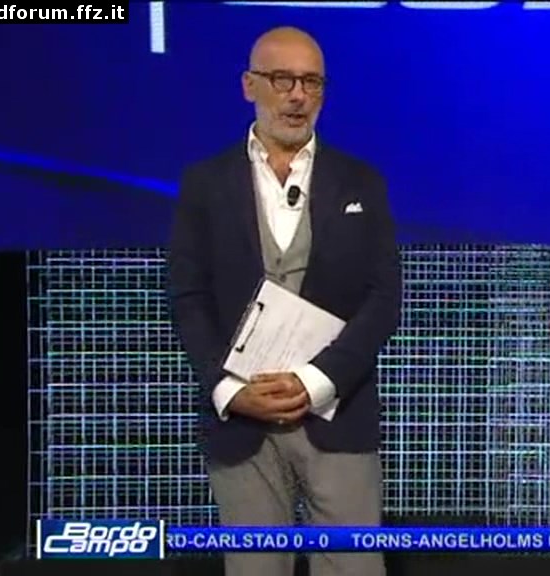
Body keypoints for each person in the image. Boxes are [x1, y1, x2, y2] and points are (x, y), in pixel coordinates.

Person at [167, 26, 401, 576]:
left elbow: (384, 297)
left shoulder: (361, 182)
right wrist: (229, 390)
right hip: (241, 422)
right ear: (249, 85)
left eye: (311, 83)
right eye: (282, 80)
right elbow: (189, 297)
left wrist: (318, 381)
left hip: (336, 414)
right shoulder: (204, 183)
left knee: (352, 569)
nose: (297, 95)